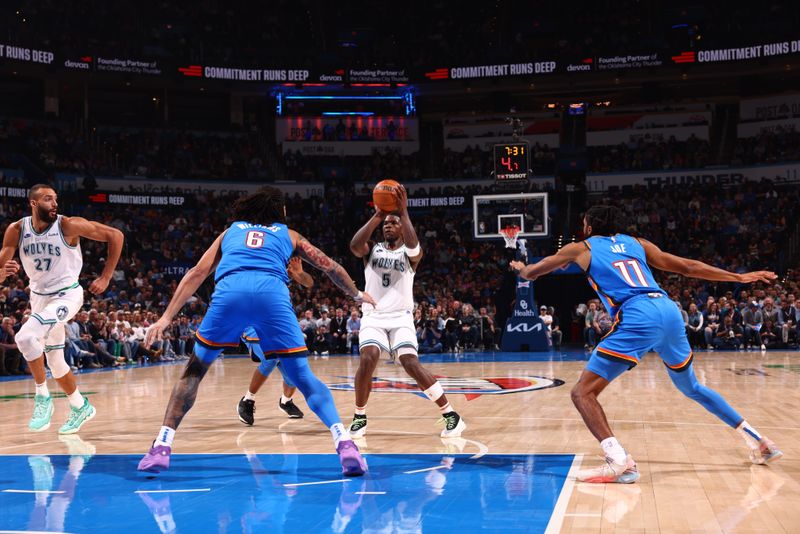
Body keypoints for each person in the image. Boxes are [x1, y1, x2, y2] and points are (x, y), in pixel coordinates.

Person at [510, 205, 782, 484]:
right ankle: (759, 441)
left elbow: (534, 273)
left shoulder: (581, 248)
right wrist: (737, 277)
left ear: (589, 226)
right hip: (668, 310)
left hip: (638, 314)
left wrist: (522, 268)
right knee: (693, 388)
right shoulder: (638, 243)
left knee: (582, 393)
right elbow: (688, 267)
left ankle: (619, 462)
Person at [138, 186, 374, 476]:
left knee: (195, 370)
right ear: (280, 211)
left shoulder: (230, 232)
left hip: (230, 294)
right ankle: (345, 443)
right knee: (302, 376)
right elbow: (331, 267)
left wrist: (165, 318)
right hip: (271, 296)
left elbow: (197, 273)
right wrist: (356, 294)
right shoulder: (290, 235)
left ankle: (162, 446)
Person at [0, 184, 123, 434]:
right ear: (33, 204)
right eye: (47, 199)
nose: (54, 203)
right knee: (56, 362)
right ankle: (80, 406)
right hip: (39, 298)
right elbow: (2, 265)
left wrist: (106, 276)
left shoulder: (67, 225)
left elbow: (115, 235)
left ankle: (42, 397)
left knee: (25, 336)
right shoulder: (17, 229)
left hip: (67, 295)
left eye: (55, 199)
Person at [348, 184, 465, 438]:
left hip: (401, 317)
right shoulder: (373, 251)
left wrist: (404, 212)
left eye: (393, 222)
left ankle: (451, 414)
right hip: (374, 317)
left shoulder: (410, 253)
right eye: (385, 224)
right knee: (368, 358)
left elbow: (414, 248)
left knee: (410, 362)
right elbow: (355, 246)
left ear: (402, 226)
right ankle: (360, 416)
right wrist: (378, 215)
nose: (388, 226)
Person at [237, 257, 313, 425]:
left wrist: (298, 273)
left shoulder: (281, 278)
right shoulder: (250, 274)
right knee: (271, 358)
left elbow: (309, 283)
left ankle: (286, 401)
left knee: (295, 366)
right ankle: (247, 400)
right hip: (252, 324)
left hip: (276, 327)